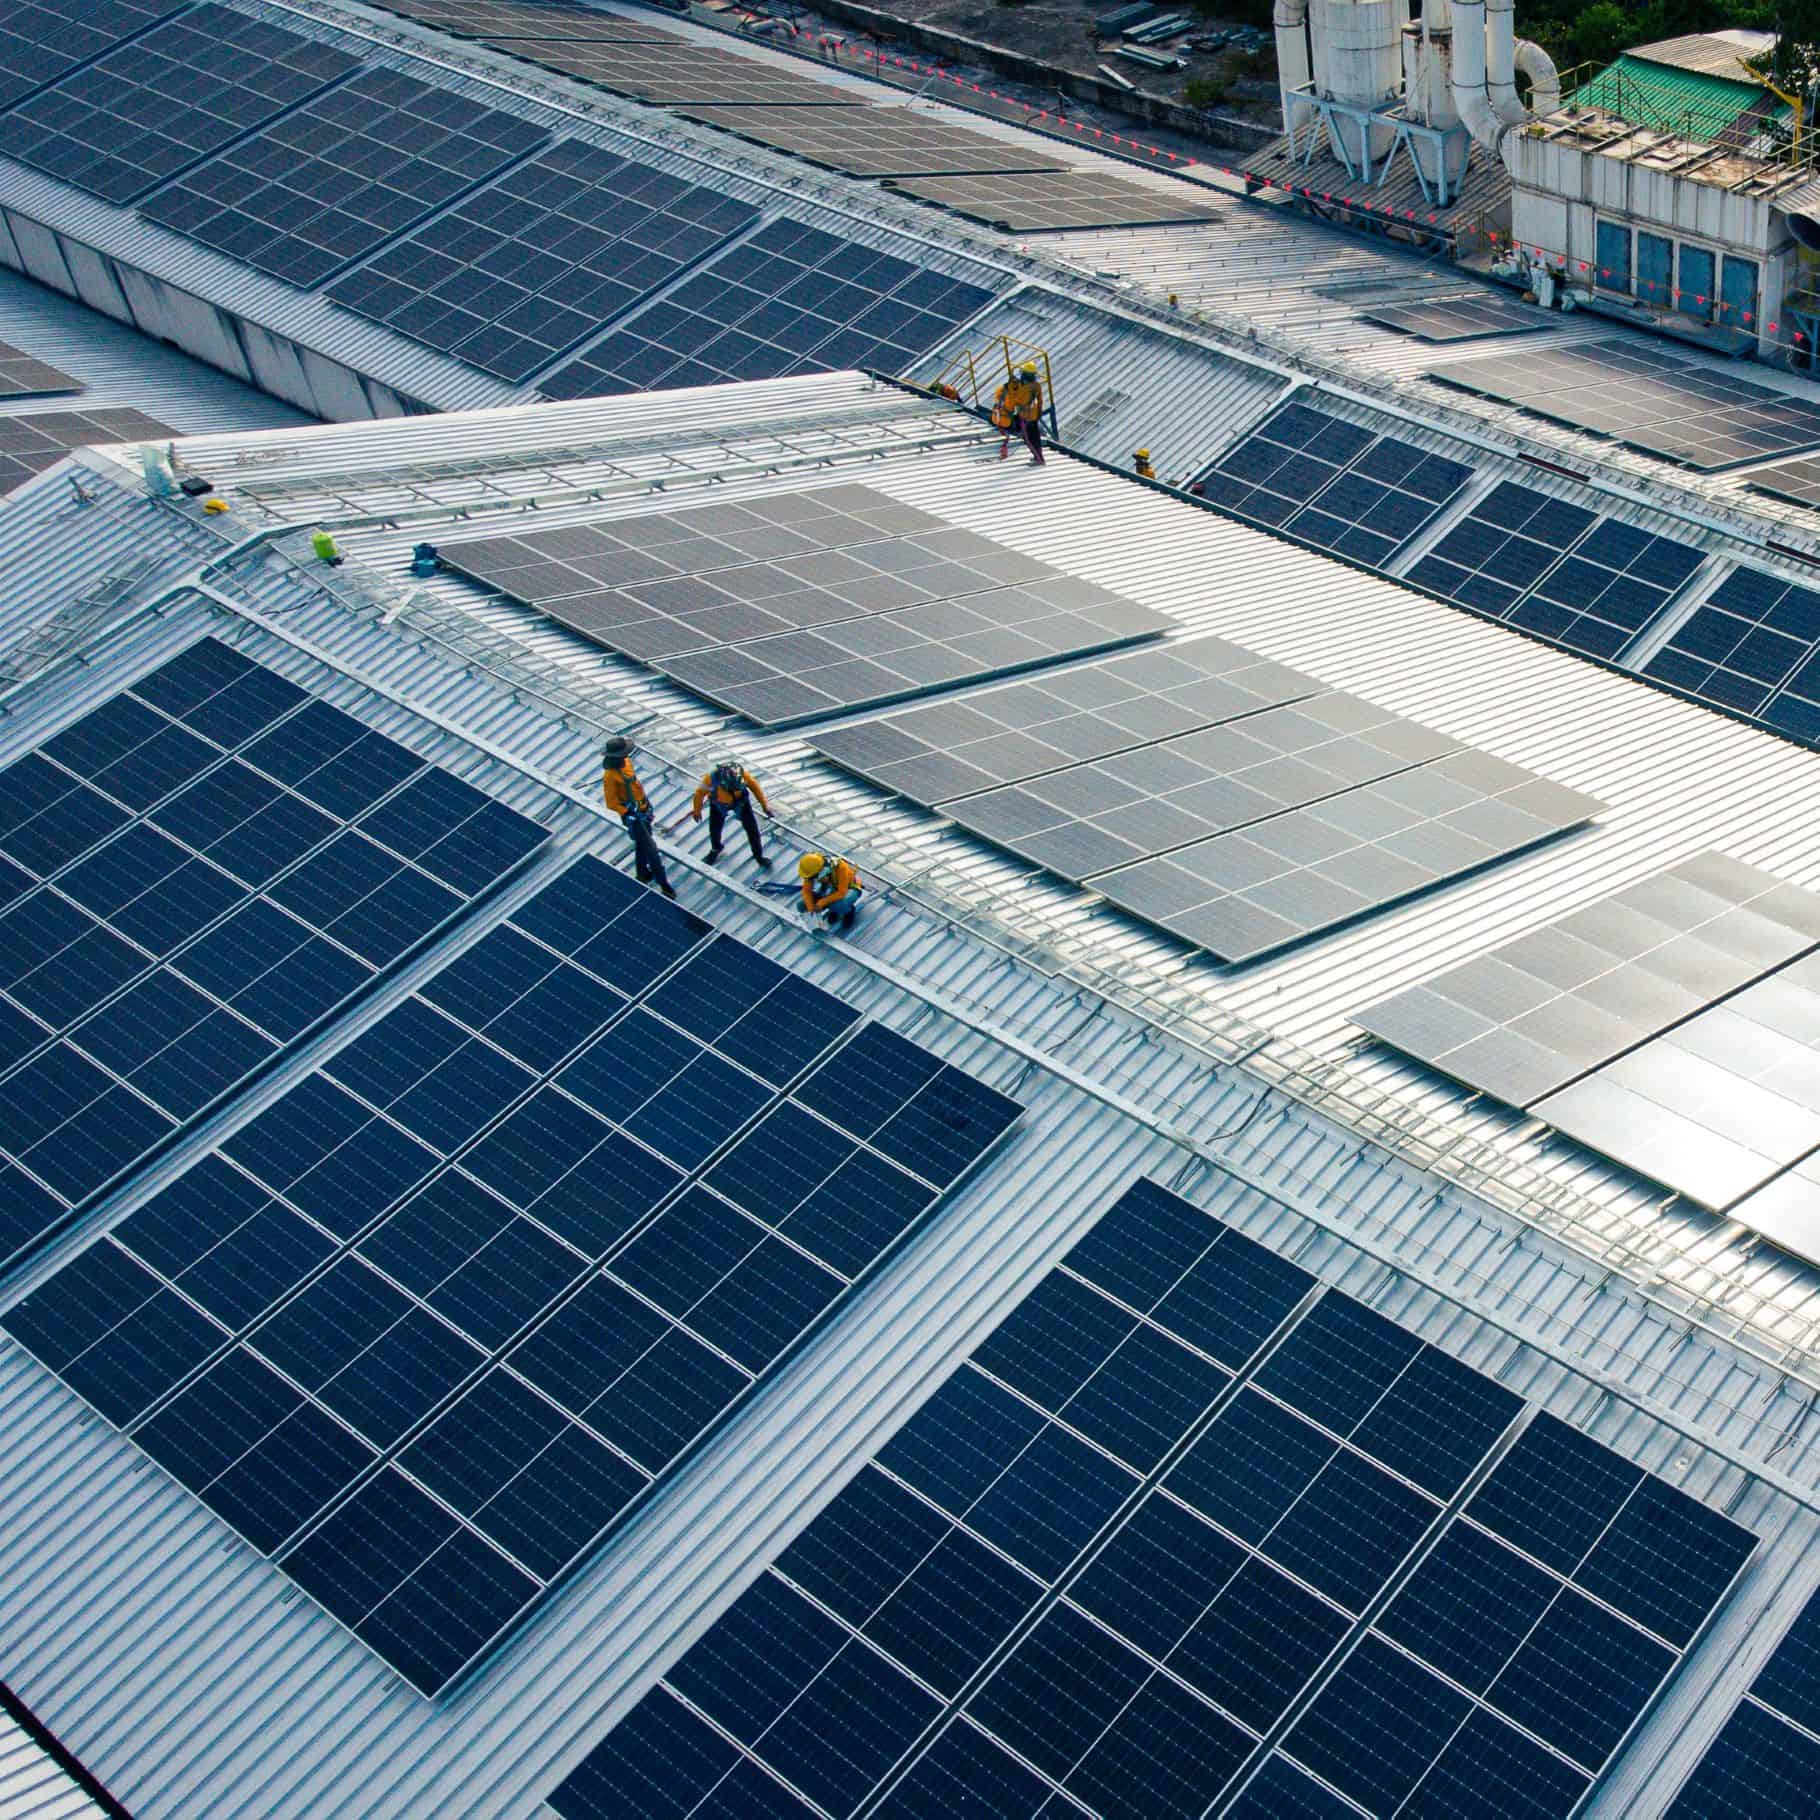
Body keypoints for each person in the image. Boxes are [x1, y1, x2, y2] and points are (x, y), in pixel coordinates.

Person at [601, 735, 675, 899]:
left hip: (644, 810)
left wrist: (646, 807)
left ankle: (642, 874)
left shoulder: (627, 763)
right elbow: (611, 803)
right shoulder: (610, 777)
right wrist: (628, 814)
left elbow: (635, 786)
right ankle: (664, 884)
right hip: (634, 817)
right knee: (652, 851)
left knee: (642, 845)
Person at [692, 758, 772, 868]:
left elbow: (756, 788)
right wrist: (697, 810)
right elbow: (699, 794)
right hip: (718, 803)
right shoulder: (710, 779)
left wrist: (765, 806)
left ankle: (759, 855)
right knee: (715, 829)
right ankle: (716, 848)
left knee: (752, 829)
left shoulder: (743, 775)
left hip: (741, 802)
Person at [993, 365, 1045, 467]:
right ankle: (1038, 457)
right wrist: (1039, 414)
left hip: (1025, 418)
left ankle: (1039, 460)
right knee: (1035, 438)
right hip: (1033, 415)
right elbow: (1040, 402)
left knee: (1029, 440)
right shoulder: (1036, 386)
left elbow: (1013, 405)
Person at [798, 851, 863, 931]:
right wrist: (811, 909)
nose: (812, 879)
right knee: (802, 905)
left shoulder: (841, 867)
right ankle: (834, 910)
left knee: (837, 906)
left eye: (814, 876)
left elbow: (842, 892)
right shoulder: (812, 870)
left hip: (850, 888)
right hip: (832, 888)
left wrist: (820, 903)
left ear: (821, 870)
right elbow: (806, 891)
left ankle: (848, 911)